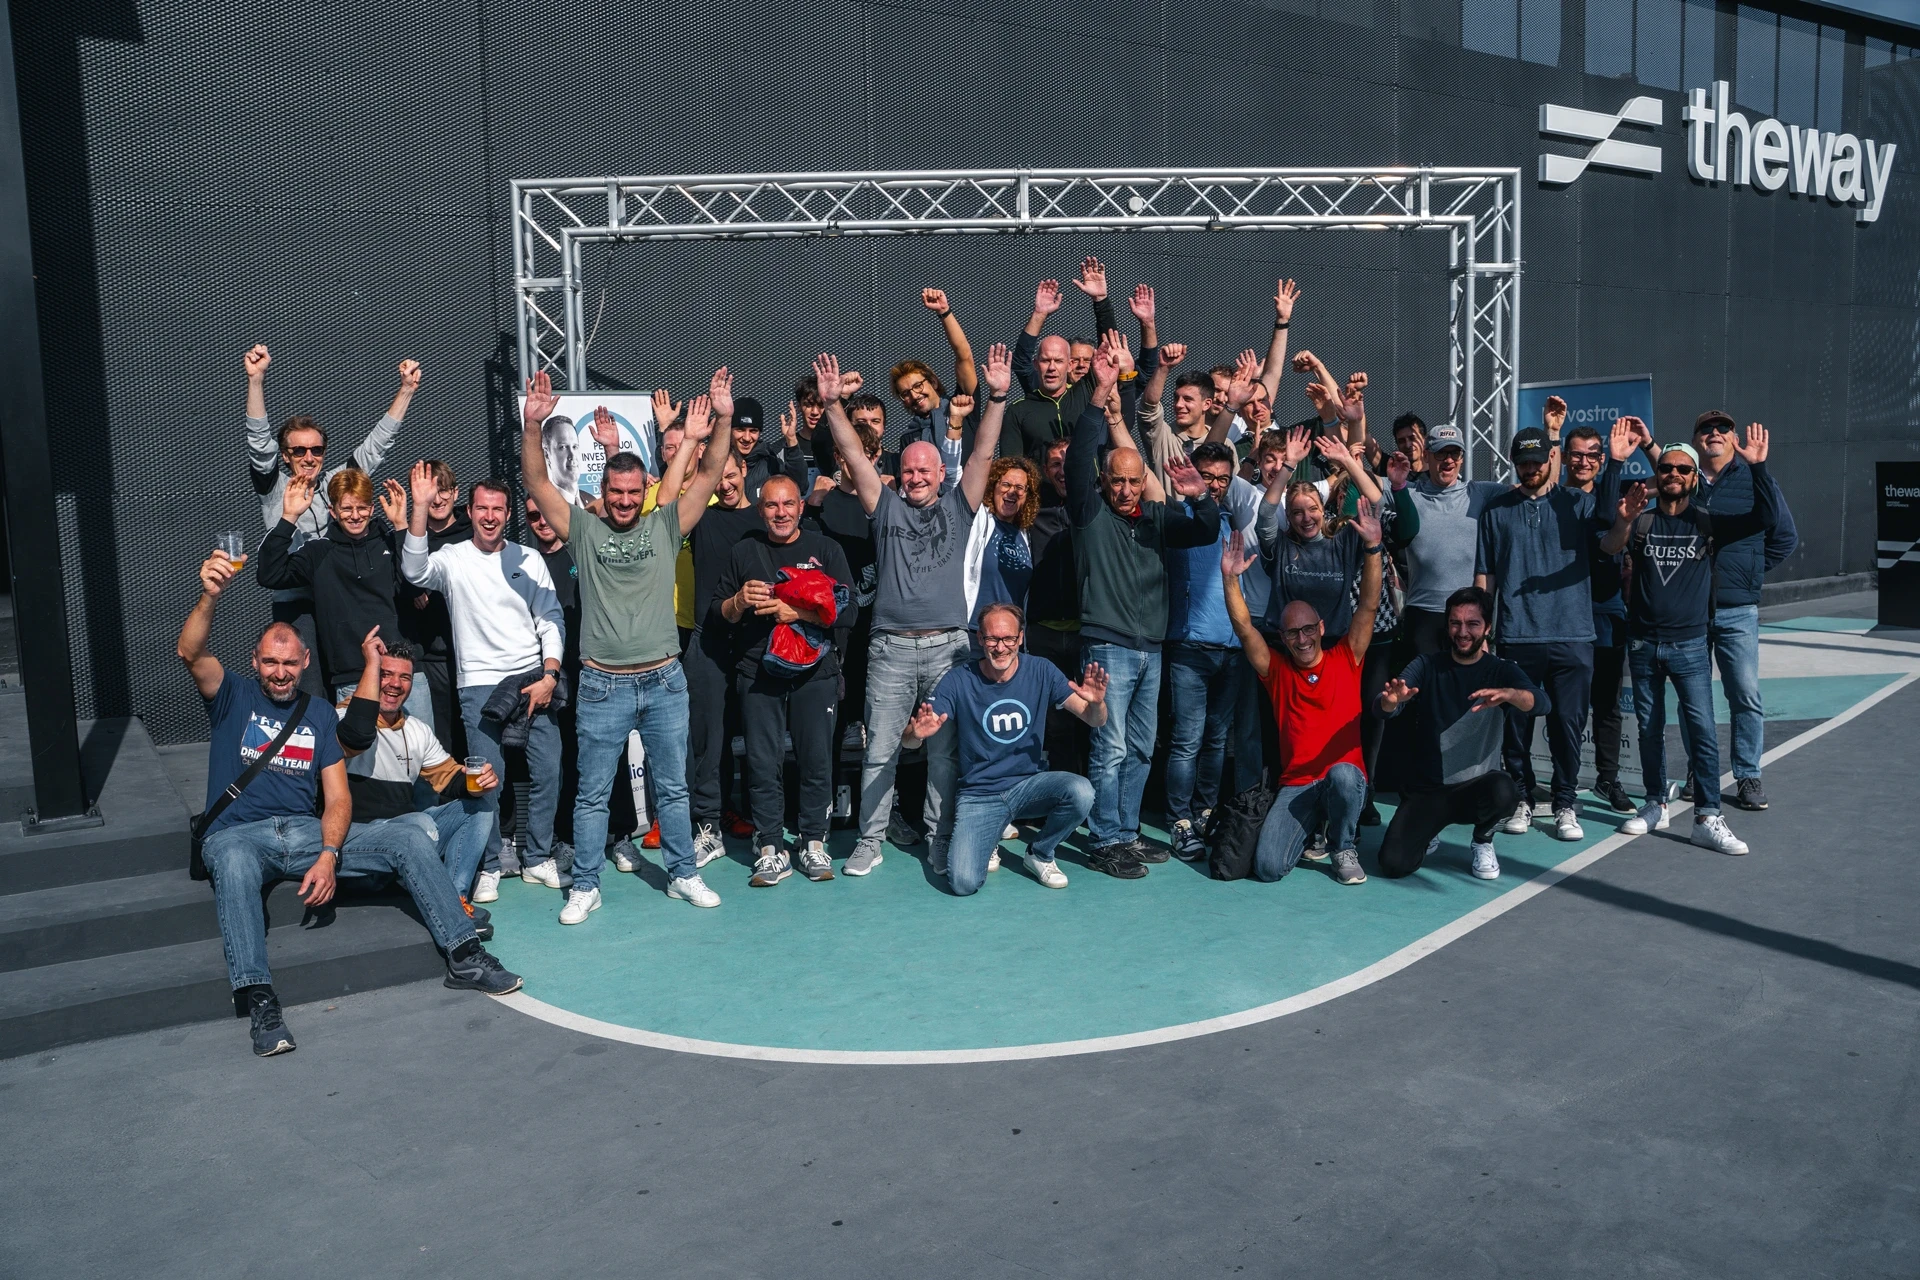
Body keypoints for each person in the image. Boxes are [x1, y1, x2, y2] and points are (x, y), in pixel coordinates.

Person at [176, 551, 518, 1057]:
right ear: (255, 662)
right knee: (233, 861)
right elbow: (190, 651)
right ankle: (260, 998)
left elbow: (337, 798)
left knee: (406, 836)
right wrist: (210, 595)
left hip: (304, 831)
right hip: (238, 834)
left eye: (289, 663)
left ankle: (465, 954)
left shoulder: (317, 714)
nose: (279, 672)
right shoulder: (232, 696)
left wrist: (329, 853)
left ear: (304, 663)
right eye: (270, 662)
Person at [520, 370, 734, 923]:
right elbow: (537, 480)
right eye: (615, 492)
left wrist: (724, 417)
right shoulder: (583, 530)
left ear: (646, 492)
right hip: (602, 686)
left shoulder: (667, 525)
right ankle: (586, 886)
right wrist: (532, 424)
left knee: (674, 790)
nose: (623, 500)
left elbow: (711, 471)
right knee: (591, 795)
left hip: (664, 682)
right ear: (605, 491)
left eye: (633, 492)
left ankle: (683, 873)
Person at [812, 344, 1010, 878]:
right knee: (881, 749)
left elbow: (982, 455)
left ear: (941, 473)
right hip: (892, 648)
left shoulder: (960, 505)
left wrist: (996, 398)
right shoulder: (884, 507)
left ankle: (941, 838)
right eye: (909, 470)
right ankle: (870, 840)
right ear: (898, 474)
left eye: (925, 470)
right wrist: (831, 405)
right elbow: (854, 455)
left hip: (950, 648)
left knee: (945, 752)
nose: (917, 477)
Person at [1066, 339, 1222, 877]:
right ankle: (1104, 839)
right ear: (1104, 482)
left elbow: (1205, 531)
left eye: (1135, 481)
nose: (1128, 489)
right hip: (1107, 646)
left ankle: (1127, 832)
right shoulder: (1089, 514)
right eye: (1119, 480)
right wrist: (1102, 392)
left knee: (1139, 749)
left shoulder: (1156, 518)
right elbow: (1082, 452)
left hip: (1151, 649)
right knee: (1109, 749)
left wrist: (1199, 494)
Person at [1603, 426, 1778, 854]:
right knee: (1649, 729)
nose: (1674, 474)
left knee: (1702, 731)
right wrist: (1622, 512)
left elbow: (1765, 519)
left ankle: (1707, 816)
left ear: (1695, 477)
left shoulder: (1707, 523)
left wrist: (1759, 469)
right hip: (1644, 645)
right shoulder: (1641, 519)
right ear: (1657, 473)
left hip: (1691, 647)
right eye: (1667, 468)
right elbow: (1608, 546)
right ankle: (1654, 803)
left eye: (1684, 469)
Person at [399, 467, 568, 894]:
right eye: (482, 509)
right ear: (470, 512)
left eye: (498, 509)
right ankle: (490, 863)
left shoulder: (528, 559)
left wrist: (550, 675)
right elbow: (414, 570)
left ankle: (537, 858)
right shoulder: (452, 558)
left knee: (549, 770)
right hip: (478, 685)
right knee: (486, 778)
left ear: (508, 514)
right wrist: (419, 507)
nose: (489, 516)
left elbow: (551, 619)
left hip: (533, 681)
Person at [1474, 422, 1629, 842]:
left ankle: (1564, 803)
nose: (1531, 468)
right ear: (1514, 463)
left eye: (1537, 461)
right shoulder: (1496, 510)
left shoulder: (1579, 504)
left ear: (1551, 459)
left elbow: (1610, 545)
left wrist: (1625, 521)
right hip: (1516, 634)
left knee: (1567, 725)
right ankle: (1521, 799)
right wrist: (1481, 628)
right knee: (1516, 728)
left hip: (1573, 635)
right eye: (1523, 462)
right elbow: (1485, 573)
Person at [1221, 496, 1384, 887]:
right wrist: (1230, 579)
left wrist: (1373, 548)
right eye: (1293, 632)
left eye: (1308, 629)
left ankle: (1342, 845)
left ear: (1321, 628)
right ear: (1283, 637)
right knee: (1268, 868)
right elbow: (1244, 629)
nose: (1302, 638)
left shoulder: (1347, 656)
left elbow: (1368, 605)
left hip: (1343, 780)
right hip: (1297, 785)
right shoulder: (1277, 671)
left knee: (1343, 775)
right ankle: (1315, 825)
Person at [243, 345, 420, 694]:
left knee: (357, 683)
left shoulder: (335, 484)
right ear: (285, 455)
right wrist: (256, 380)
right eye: (298, 450)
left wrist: (406, 390)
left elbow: (375, 447)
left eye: (317, 450)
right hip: (299, 603)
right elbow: (259, 445)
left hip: (341, 599)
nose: (309, 457)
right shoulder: (276, 487)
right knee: (310, 692)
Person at [906, 604, 1110, 896]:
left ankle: (1040, 853)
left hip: (1028, 787)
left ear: (1021, 637)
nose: (1000, 647)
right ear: (980, 639)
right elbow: (908, 741)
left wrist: (1097, 703)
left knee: (1081, 791)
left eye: (1008, 639)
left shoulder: (1041, 670)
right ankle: (989, 838)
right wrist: (916, 734)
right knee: (963, 884)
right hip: (980, 794)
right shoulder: (958, 679)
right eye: (992, 639)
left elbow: (1094, 719)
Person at [716, 475, 854, 885]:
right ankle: (770, 846)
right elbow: (717, 612)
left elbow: (849, 612)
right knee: (762, 762)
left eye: (789, 504)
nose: (781, 513)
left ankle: (813, 842)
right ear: (761, 510)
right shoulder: (744, 551)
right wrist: (739, 601)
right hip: (758, 671)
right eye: (773, 505)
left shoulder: (825, 549)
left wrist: (800, 613)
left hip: (816, 672)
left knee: (816, 759)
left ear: (801, 507)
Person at [333, 629, 501, 934]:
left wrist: (477, 781)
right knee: (418, 825)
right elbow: (354, 736)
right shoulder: (342, 718)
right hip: (356, 844)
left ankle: (453, 901)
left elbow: (449, 778)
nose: (395, 684)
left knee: (480, 808)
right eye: (385, 674)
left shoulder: (417, 729)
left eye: (405, 677)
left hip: (404, 835)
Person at [1372, 587, 1541, 881]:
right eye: (1455, 623)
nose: (1463, 632)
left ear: (1487, 628)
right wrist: (1391, 701)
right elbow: (1383, 707)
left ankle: (1483, 840)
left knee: (1504, 791)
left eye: (1472, 624)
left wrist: (1511, 694)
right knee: (1393, 865)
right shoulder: (1426, 665)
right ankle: (1428, 832)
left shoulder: (1501, 670)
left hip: (1476, 789)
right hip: (1427, 791)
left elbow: (1541, 703)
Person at [253, 466, 432, 722]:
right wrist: (289, 517)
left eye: (362, 508)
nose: (355, 516)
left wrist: (402, 527)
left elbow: (413, 587)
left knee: (421, 747)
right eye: (347, 509)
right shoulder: (318, 553)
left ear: (372, 509)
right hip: (352, 676)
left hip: (404, 671)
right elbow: (269, 575)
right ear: (333, 511)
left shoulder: (391, 542)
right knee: (360, 748)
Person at [1690, 409, 1798, 812]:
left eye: (1723, 428)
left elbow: (1784, 537)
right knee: (1694, 698)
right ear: (1696, 439)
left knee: (1745, 695)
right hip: (1690, 611)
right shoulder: (1684, 478)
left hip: (1737, 611)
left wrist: (1748, 571)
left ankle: (1748, 776)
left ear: (1734, 438)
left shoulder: (1756, 478)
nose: (1714, 433)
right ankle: (1698, 772)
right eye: (1706, 428)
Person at [1162, 441, 1254, 860]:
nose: (1215, 485)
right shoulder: (1176, 520)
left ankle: (1204, 812)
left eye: (1223, 478)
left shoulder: (1235, 523)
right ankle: (1179, 821)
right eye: (1208, 477)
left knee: (1217, 741)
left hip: (1233, 650)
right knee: (1187, 741)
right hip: (1190, 648)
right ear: (1191, 477)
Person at [1559, 416, 1644, 813]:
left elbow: (1610, 525)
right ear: (1564, 458)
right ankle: (1562, 783)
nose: (1584, 461)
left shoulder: (1616, 492)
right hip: (1563, 615)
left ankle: (1607, 779)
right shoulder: (1552, 499)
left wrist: (1619, 461)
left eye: (1593, 455)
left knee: (1607, 704)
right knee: (1566, 707)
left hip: (1606, 614)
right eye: (1576, 455)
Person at [1398, 423, 1506, 656]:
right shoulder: (1409, 493)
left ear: (1462, 458)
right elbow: (1371, 485)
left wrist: (1553, 436)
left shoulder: (1480, 492)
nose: (1448, 460)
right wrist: (1348, 454)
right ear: (1426, 456)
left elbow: (1534, 488)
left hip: (1468, 617)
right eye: (1441, 453)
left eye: (1454, 453)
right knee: (1423, 680)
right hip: (1422, 615)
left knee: (1469, 681)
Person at [1005, 263, 1115, 461]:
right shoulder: (1020, 409)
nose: (1052, 368)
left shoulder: (1085, 394)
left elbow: (1108, 348)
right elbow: (1020, 361)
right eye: (1045, 361)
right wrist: (1039, 315)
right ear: (1036, 364)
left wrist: (1101, 301)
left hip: (1087, 481)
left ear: (1070, 365)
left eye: (1058, 361)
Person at [399, 460, 469, 747]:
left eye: (444, 491)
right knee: (438, 740)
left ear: (455, 493)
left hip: (472, 657)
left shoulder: (474, 534)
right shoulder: (410, 539)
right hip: (429, 658)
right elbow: (399, 581)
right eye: (430, 492)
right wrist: (412, 589)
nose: (437, 499)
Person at [965, 456, 1040, 644]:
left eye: (1020, 487)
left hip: (1010, 640)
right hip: (975, 634)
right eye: (1006, 484)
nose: (1012, 492)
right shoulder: (978, 520)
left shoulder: (1024, 533)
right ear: (993, 486)